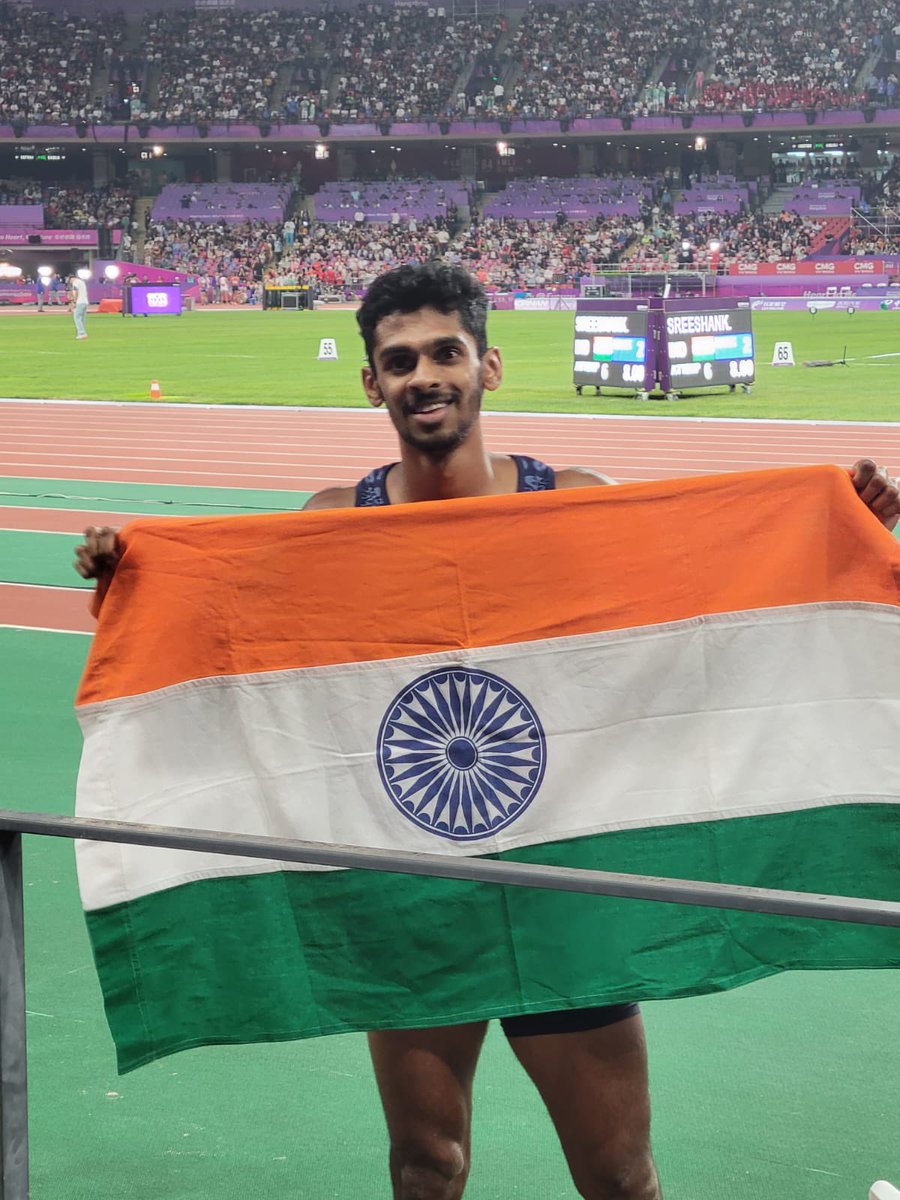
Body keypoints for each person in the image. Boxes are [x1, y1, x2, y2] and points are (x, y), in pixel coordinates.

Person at [74, 264, 900, 1200]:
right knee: (428, 1169)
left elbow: (706, 598)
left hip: (563, 887)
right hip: (413, 893)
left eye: (445, 352)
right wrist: (136, 580)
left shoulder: (573, 501)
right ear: (371, 382)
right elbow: (235, 643)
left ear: (488, 367)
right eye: (398, 360)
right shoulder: (332, 526)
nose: (423, 374)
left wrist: (838, 533)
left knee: (621, 1177)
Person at [68, 273, 89, 340]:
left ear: (71, 279)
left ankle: (82, 333)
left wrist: (74, 302)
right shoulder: (82, 282)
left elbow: (75, 292)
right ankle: (81, 333)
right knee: (82, 319)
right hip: (85, 302)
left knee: (77, 317)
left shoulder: (75, 282)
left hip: (79, 302)